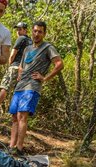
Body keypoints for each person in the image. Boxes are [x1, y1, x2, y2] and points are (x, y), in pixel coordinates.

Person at [9, 21, 63, 156]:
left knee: (22, 115)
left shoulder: (48, 47)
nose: (37, 34)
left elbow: (59, 64)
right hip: (20, 85)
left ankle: (19, 149)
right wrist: (19, 75)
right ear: (31, 32)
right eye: (35, 31)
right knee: (14, 116)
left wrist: (45, 78)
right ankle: (11, 147)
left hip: (32, 86)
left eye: (40, 31)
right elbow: (21, 66)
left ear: (44, 33)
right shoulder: (27, 49)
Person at [0, 22, 32, 118]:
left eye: (20, 29)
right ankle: (15, 113)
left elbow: (13, 53)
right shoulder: (30, 41)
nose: (18, 31)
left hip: (15, 66)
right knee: (17, 90)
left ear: (25, 30)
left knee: (5, 87)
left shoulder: (21, 39)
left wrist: (10, 64)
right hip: (25, 69)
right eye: (17, 29)